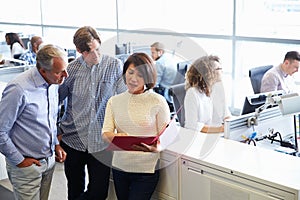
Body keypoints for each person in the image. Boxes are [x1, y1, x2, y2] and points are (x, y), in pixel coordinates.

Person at [58, 26, 127, 200]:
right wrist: (56, 132)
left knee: (98, 192)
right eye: (89, 51)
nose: (95, 55)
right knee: (74, 189)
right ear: (80, 51)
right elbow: (55, 102)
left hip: (101, 142)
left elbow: (124, 98)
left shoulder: (114, 65)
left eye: (97, 49)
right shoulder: (70, 70)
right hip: (73, 139)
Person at [0, 44, 68, 200]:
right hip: (26, 166)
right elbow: (1, 130)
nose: (66, 75)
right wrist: (20, 160)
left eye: (65, 69)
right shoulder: (18, 89)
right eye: (59, 72)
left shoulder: (53, 83)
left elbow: (50, 118)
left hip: (49, 161)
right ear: (43, 71)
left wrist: (56, 145)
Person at [102, 52, 170, 200]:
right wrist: (116, 137)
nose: (133, 79)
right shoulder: (114, 101)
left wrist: (156, 148)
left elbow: (166, 136)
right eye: (130, 72)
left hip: (146, 170)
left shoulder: (157, 101)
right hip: (120, 167)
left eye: (139, 75)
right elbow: (105, 133)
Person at [184, 55, 225, 133]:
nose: (222, 71)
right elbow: (192, 125)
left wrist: (231, 125)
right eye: (219, 69)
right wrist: (221, 129)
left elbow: (225, 114)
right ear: (209, 73)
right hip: (199, 137)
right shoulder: (192, 93)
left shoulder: (216, 89)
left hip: (214, 133)